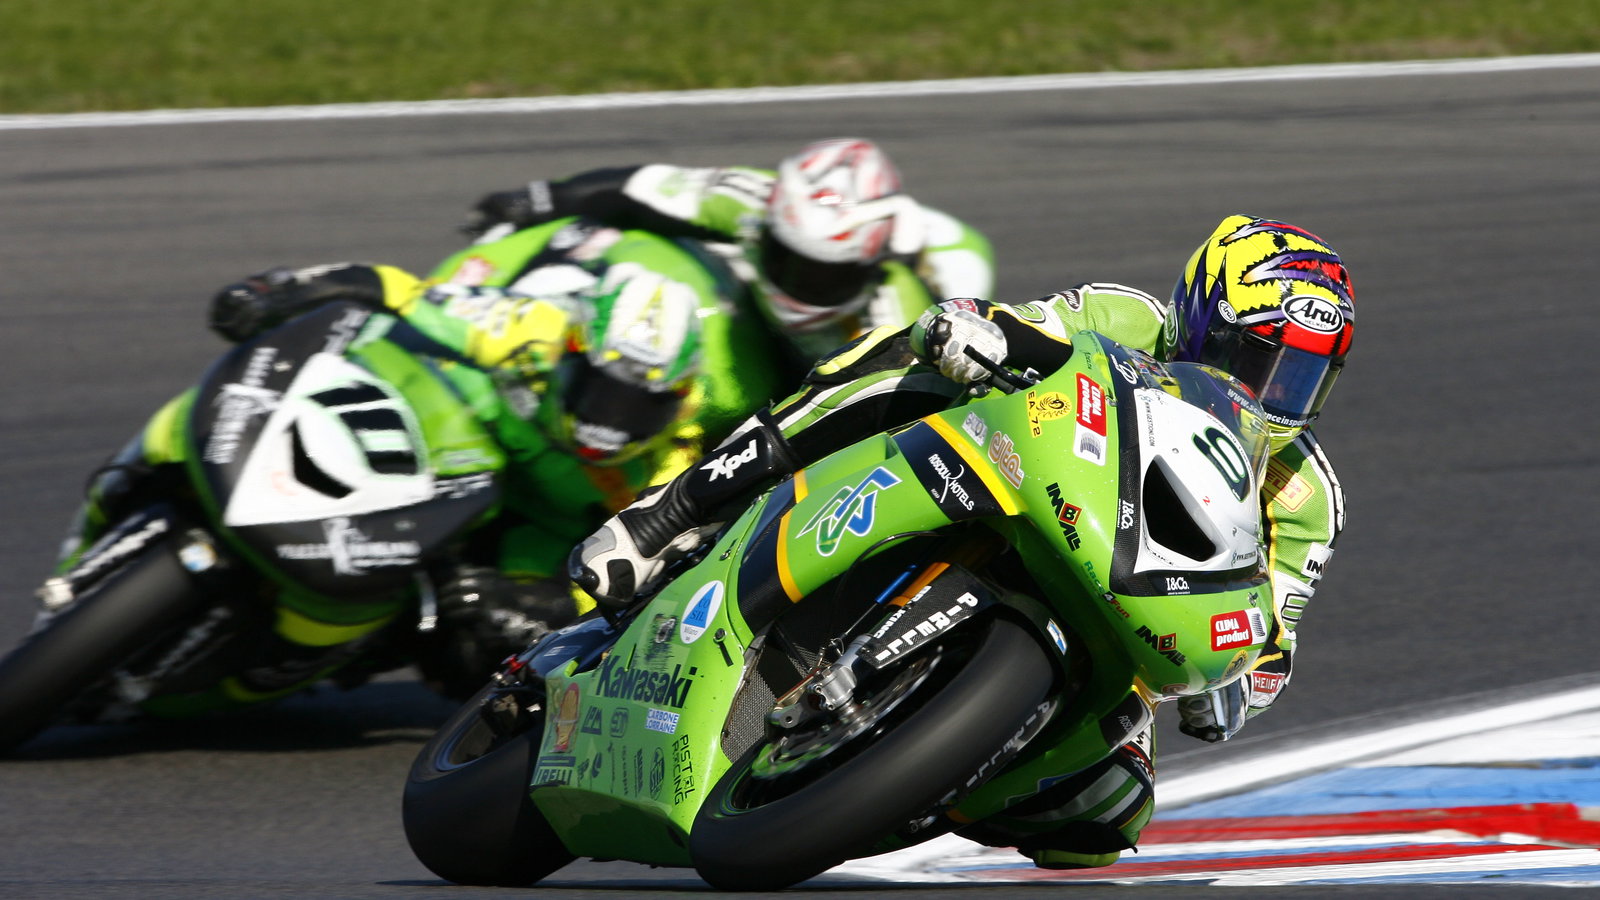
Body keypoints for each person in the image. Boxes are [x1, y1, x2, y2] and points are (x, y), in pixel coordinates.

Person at [567, 214, 1353, 869]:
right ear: (1198, 315)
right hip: (1016, 480)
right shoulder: (1129, 318)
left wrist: (1239, 684)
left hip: (1125, 616)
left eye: (1298, 382)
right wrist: (986, 334)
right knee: (903, 360)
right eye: (1254, 360)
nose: (1266, 396)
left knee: (1106, 823)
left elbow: (1273, 631)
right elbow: (1031, 329)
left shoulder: (1306, 496)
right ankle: (672, 513)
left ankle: (921, 777)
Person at [62, 262, 707, 699]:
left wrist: (548, 605)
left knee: (477, 655)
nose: (609, 424)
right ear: (573, 349)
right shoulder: (527, 330)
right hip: (438, 458)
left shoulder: (668, 465)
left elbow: (648, 577)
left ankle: (281, 666)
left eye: (638, 406)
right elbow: (402, 291)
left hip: (526, 536)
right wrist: (287, 290)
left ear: (678, 397)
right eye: (600, 389)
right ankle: (125, 503)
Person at [462, 137, 997, 374]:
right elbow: (642, 187)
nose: (796, 282)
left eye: (820, 274)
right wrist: (536, 199)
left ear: (866, 269)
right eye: (783, 256)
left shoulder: (893, 317)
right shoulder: (756, 200)